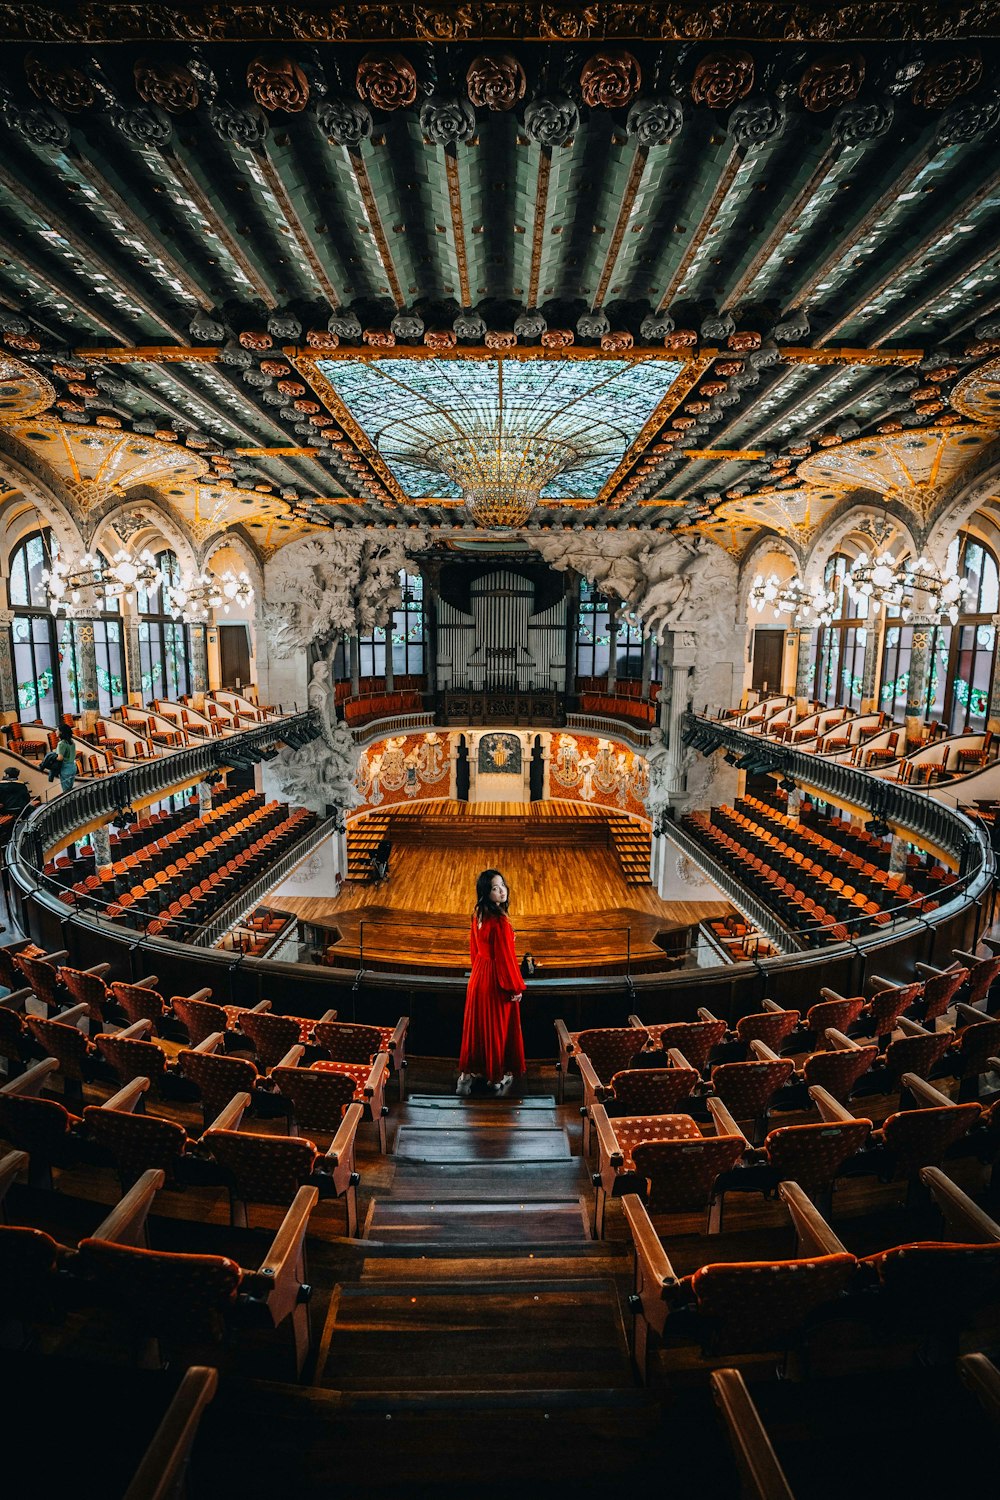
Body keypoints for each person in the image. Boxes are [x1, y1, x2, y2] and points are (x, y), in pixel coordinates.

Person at [457, 869, 526, 1096]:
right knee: (497, 1030)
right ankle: (495, 1078)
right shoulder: (501, 923)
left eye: (502, 885)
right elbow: (506, 959)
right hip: (496, 980)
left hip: (478, 976)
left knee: (476, 1029)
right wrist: (515, 987)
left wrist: (480, 970)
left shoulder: (477, 914)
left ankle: (469, 1073)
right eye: (495, 888)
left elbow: (474, 950)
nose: (502, 891)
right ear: (487, 893)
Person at [55, 726, 77, 794]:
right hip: (73, 767)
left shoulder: (61, 744)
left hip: (65, 769)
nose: (56, 731)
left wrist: (53, 757)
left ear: (61, 732)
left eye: (57, 730)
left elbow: (60, 758)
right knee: (70, 790)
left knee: (66, 792)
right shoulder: (72, 742)